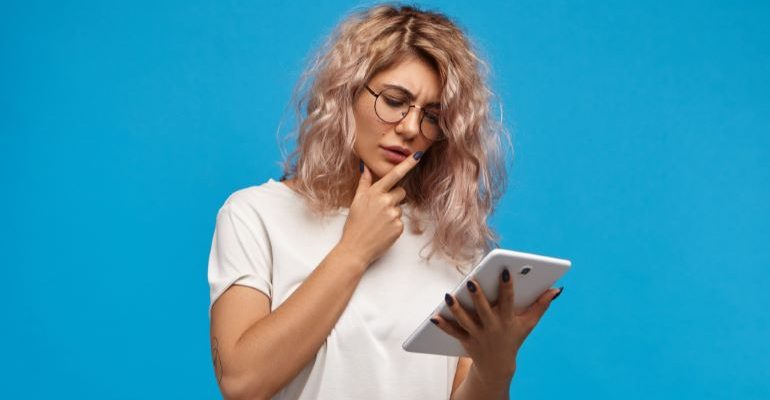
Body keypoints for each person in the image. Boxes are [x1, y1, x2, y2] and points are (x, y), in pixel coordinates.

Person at [207, 3, 563, 399]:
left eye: (432, 115)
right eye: (394, 100)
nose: (411, 128)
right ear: (347, 93)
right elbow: (241, 382)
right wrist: (354, 251)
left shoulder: (449, 240)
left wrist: (497, 364)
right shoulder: (256, 214)